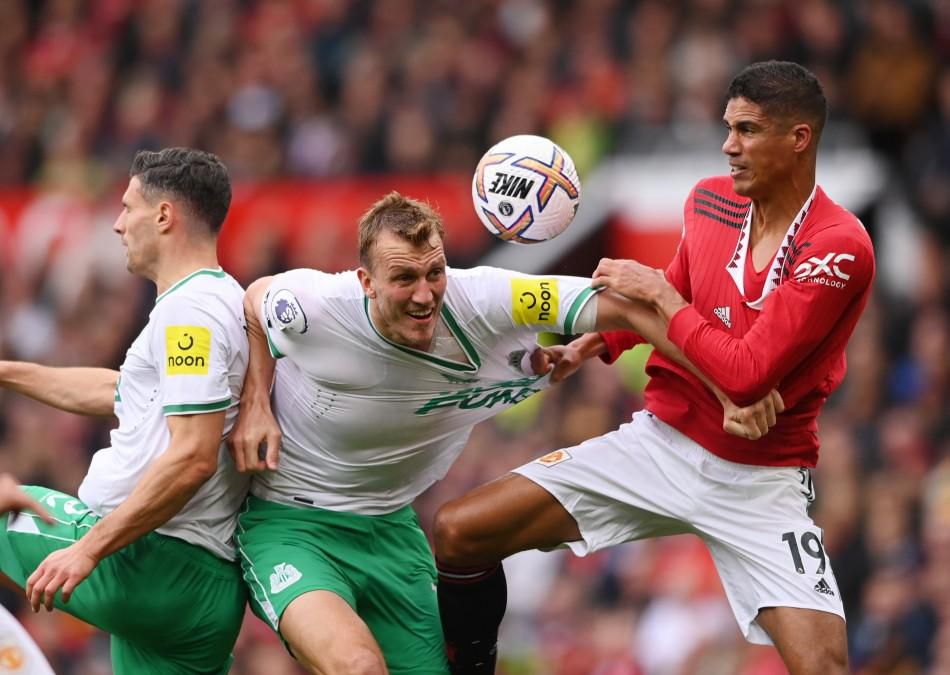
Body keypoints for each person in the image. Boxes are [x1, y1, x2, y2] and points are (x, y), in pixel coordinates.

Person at [434, 61, 875, 675]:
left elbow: (745, 371)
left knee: (824, 666)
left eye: (747, 130)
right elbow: (679, 288)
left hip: (760, 481)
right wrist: (593, 344)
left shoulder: (839, 247)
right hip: (660, 445)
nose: (728, 146)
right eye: (728, 128)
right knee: (458, 531)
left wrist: (666, 302)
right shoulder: (710, 201)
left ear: (798, 138)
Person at [228, 191, 780, 675]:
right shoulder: (318, 306)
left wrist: (727, 384)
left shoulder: (487, 297)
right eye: (403, 279)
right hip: (291, 524)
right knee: (358, 666)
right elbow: (255, 300)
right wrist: (256, 401)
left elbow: (628, 309)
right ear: (366, 282)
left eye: (434, 273)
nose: (424, 295)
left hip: (392, 529)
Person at [0, 148, 251, 674]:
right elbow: (123, 391)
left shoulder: (190, 314)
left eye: (127, 207)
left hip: (151, 563)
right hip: (197, 590)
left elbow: (193, 456)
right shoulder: (215, 298)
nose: (117, 224)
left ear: (163, 217)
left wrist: (88, 549)